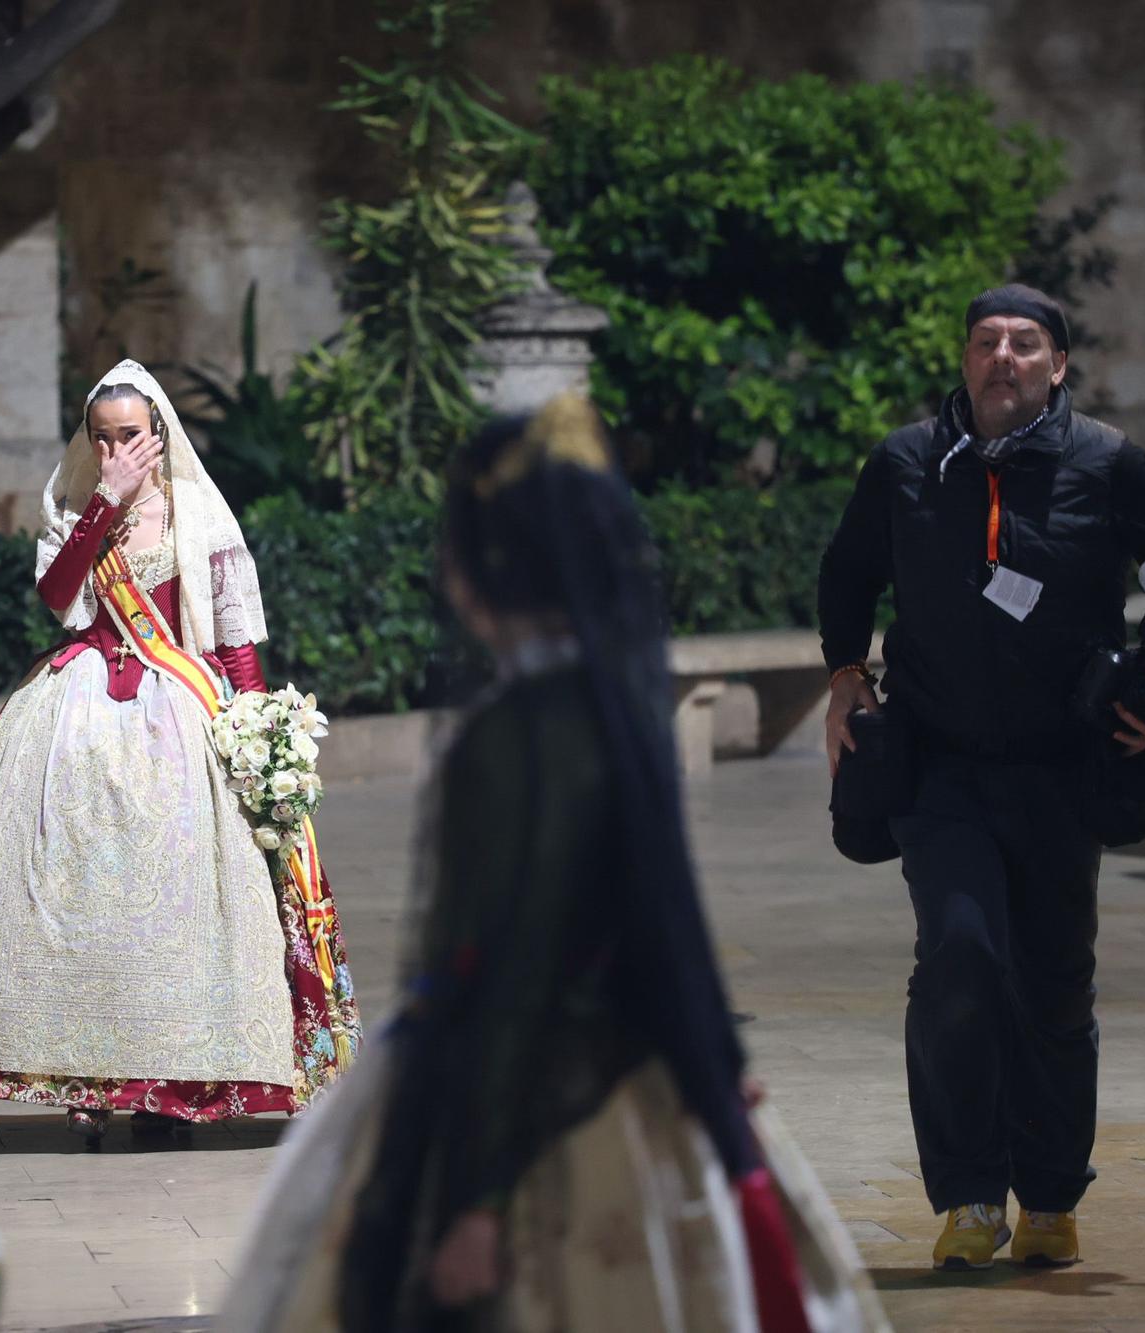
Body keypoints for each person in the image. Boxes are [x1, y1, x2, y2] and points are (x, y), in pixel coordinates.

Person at [221, 398, 885, 1333]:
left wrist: (475, 1195)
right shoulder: (619, 705)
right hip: (648, 1087)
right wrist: (716, 1067)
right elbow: (669, 916)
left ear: (485, 565)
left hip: (522, 1105)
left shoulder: (512, 735)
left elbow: (506, 965)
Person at [0, 359, 359, 1143]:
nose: (119, 448)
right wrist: (103, 506)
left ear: (159, 434)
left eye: (133, 435)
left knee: (187, 903)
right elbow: (59, 598)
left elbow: (235, 634)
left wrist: (258, 729)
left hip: (182, 712)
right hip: (77, 707)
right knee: (68, 896)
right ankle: (80, 1074)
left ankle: (177, 1082)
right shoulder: (72, 509)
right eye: (104, 436)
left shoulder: (198, 514)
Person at [819, 284, 1145, 1271]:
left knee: (1049, 981)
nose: (1002, 357)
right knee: (956, 959)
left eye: (1024, 344)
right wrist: (840, 675)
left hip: (1059, 771)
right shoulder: (905, 463)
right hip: (937, 764)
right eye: (985, 341)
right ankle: (965, 1197)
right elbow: (847, 569)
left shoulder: (1106, 464)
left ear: (1056, 365)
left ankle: (1046, 1198)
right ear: (962, 358)